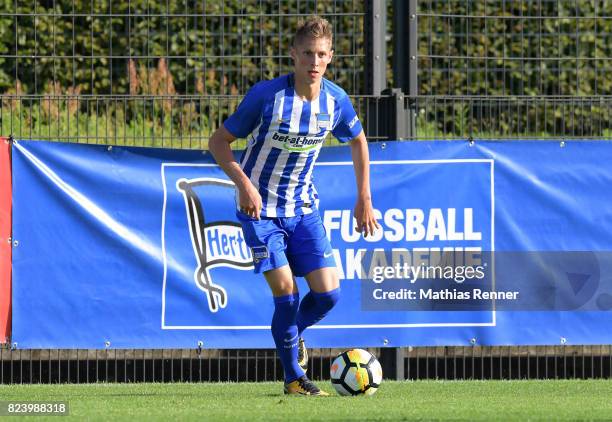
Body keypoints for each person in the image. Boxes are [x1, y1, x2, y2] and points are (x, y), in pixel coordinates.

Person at [208, 15, 378, 396]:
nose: (313, 62)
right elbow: (218, 142)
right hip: (259, 211)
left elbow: (358, 141)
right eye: (307, 54)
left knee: (329, 293)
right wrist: (245, 186)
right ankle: (293, 378)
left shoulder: (335, 101)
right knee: (286, 293)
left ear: (331, 57)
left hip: (303, 208)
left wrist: (364, 198)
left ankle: (292, 334)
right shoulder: (267, 97)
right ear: (293, 55)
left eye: (321, 55)